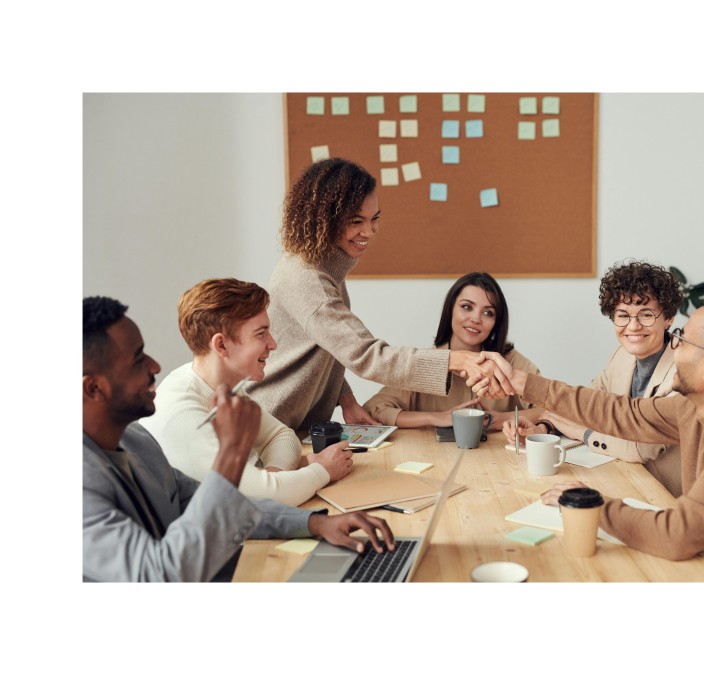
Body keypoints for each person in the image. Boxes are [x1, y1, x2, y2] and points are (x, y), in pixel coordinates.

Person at [478, 293, 704, 582]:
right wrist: (524, 383)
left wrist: (594, 504)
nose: (674, 344)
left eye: (682, 338)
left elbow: (678, 534)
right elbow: (623, 413)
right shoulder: (696, 406)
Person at [83, 296, 394, 582]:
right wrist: (231, 453)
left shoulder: (135, 440)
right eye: (138, 359)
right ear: (93, 388)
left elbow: (222, 505)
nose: (155, 366)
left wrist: (314, 524)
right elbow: (160, 576)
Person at [247, 158, 512, 435]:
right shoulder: (308, 279)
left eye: (375, 219)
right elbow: (366, 354)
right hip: (268, 426)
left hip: (289, 427)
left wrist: (346, 399)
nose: (369, 231)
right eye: (356, 221)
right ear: (325, 220)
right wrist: (453, 360)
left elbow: (329, 346)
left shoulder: (323, 268)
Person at [139, 279, 352, 506]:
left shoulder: (221, 386)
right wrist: (322, 470)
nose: (273, 344)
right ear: (221, 345)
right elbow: (263, 499)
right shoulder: (183, 413)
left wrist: (273, 478)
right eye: (261, 334)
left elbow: (280, 436)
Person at [503, 260, 684, 495]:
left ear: (668, 318)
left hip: (667, 496)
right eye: (623, 315)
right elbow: (586, 405)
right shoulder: (622, 356)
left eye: (646, 314)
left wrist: (582, 433)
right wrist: (545, 428)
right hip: (626, 481)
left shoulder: (683, 371)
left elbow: (639, 449)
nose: (633, 326)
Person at [363, 272, 542, 431]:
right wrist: (437, 417)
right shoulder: (425, 363)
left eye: (488, 313)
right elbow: (374, 409)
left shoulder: (510, 362)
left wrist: (505, 419)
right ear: (450, 310)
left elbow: (555, 408)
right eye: (467, 307)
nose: (476, 319)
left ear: (497, 322)